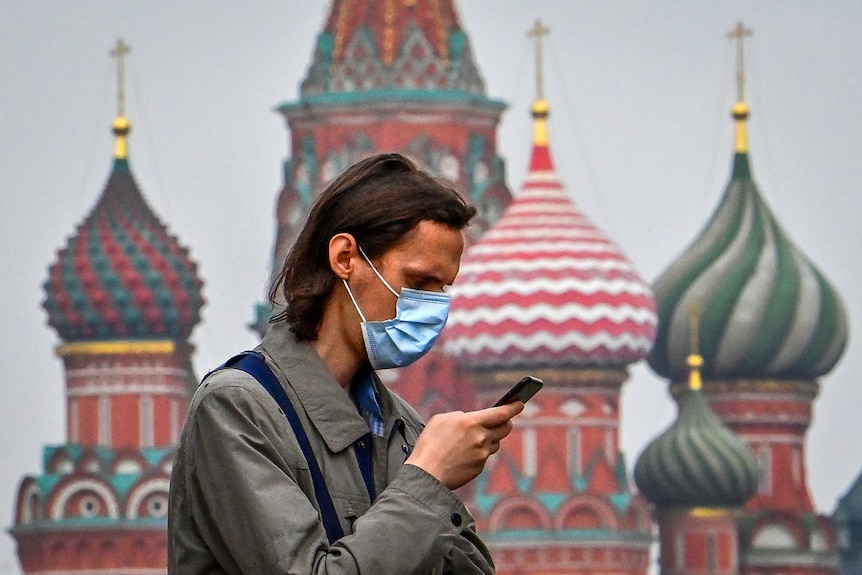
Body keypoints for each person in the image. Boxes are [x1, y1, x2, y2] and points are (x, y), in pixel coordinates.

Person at [168, 153, 524, 574]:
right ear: (345, 258)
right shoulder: (238, 409)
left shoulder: (400, 424)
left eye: (442, 289)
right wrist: (427, 478)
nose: (432, 307)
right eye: (417, 283)